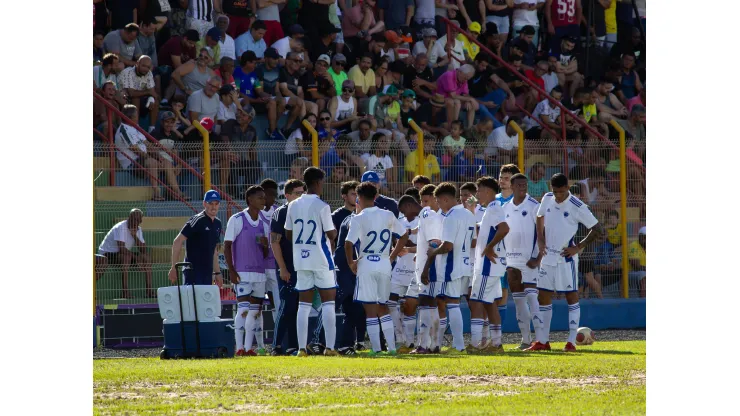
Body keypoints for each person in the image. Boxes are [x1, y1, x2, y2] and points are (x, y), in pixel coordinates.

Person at [528, 173, 602, 352]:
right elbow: (539, 216)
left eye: (561, 192)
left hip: (565, 259)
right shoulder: (547, 198)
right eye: (556, 192)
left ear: (568, 188)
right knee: (543, 296)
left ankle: (571, 342)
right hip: (547, 257)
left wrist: (578, 247)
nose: (558, 196)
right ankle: (543, 341)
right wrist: (540, 238)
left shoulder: (578, 206)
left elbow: (597, 229)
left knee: (571, 296)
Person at [345, 182, 409, 355]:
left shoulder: (358, 217)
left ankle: (377, 349)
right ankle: (392, 348)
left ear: (358, 198)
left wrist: (351, 263)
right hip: (384, 263)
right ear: (375, 197)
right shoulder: (388, 214)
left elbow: (348, 243)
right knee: (383, 307)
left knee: (370, 309)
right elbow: (404, 235)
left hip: (366, 263)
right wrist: (393, 256)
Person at [284, 167, 340, 356]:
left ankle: (301, 349)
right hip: (321, 258)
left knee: (304, 304)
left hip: (301, 259)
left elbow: (288, 233)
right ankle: (331, 348)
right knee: (329, 301)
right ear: (317, 182)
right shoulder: (322, 206)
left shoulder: (293, 205)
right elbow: (331, 234)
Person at [420, 182, 476, 354]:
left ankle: (458, 346)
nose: (437, 204)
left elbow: (448, 246)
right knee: (453, 304)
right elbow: (472, 241)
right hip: (465, 265)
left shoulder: (451, 216)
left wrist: (432, 252)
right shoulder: (468, 213)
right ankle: (452, 345)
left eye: (438, 200)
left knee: (450, 304)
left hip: (450, 266)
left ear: (445, 199)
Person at [224, 185, 270, 356]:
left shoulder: (263, 223)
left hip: (259, 273)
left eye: (264, 197)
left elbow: (265, 253)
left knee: (255, 311)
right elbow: (227, 246)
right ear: (250, 200)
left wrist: (265, 246)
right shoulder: (237, 219)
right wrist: (232, 270)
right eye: (260, 197)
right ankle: (239, 347)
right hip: (242, 272)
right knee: (243, 309)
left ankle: (249, 348)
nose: (263, 200)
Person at [497, 173, 542, 350]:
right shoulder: (505, 207)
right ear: (512, 186)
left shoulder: (534, 206)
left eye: (525, 185)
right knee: (518, 300)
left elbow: (541, 233)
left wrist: (537, 257)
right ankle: (525, 340)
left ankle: (541, 340)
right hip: (511, 260)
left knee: (532, 296)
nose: (523, 187)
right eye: (520, 185)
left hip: (529, 259)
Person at [469, 176, 509, 353]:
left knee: (476, 301)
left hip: (488, 265)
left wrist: (490, 247)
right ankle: (496, 343)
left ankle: (476, 343)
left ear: (487, 191)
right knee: (489, 303)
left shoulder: (494, 208)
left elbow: (504, 228)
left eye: (479, 190)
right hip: (492, 264)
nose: (477, 194)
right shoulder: (490, 209)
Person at [270, 179, 306, 356]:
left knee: (299, 307)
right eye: (298, 193)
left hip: (303, 267)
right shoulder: (281, 212)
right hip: (288, 268)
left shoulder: (304, 211)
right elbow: (274, 242)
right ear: (287, 195)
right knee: (287, 305)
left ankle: (293, 346)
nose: (302, 196)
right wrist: (282, 267)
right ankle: (276, 346)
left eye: (303, 193)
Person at [332, 184, 366, 355]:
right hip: (345, 269)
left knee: (353, 310)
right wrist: (352, 263)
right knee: (332, 306)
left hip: (352, 271)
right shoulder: (350, 219)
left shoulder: (356, 218)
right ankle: (319, 343)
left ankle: (345, 345)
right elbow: (346, 245)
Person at [168, 190, 224, 286]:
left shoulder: (218, 223)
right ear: (204, 204)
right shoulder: (197, 220)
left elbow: (214, 250)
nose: (213, 207)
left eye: (216, 203)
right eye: (210, 203)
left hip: (207, 272)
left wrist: (217, 273)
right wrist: (173, 267)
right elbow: (177, 241)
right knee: (191, 300)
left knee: (204, 300)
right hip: (192, 271)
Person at [96, 209, 155, 299]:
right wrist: (136, 258)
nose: (135, 222)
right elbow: (122, 248)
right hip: (108, 254)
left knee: (146, 257)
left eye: (137, 220)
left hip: (122, 254)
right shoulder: (121, 227)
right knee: (126, 257)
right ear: (129, 218)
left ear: (140, 221)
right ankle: (125, 292)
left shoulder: (138, 230)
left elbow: (143, 250)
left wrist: (134, 235)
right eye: (133, 219)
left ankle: (149, 291)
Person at [412, 184, 444, 354]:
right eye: (422, 201)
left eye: (427, 200)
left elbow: (434, 244)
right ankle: (434, 344)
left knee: (425, 302)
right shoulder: (436, 216)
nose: (424, 204)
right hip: (431, 266)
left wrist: (425, 268)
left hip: (430, 267)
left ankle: (424, 345)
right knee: (431, 305)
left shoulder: (429, 214)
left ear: (435, 199)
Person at [394, 195, 422, 353]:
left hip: (415, 269)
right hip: (400, 269)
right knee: (391, 302)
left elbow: (422, 244)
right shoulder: (401, 222)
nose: (403, 213)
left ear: (410, 205)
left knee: (410, 305)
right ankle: (400, 339)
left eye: (403, 209)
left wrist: (405, 242)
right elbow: (396, 241)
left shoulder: (422, 220)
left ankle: (411, 341)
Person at [258, 179, 282, 333]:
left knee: (277, 304)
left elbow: (278, 237)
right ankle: (259, 346)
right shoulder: (254, 212)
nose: (273, 198)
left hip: (274, 266)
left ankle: (279, 339)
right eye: (270, 194)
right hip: (258, 267)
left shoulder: (278, 212)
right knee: (256, 306)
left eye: (274, 195)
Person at [118, 55, 160, 123]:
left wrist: (151, 99)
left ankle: (152, 129)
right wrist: (148, 92)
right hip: (124, 100)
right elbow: (131, 93)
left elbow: (153, 92)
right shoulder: (128, 72)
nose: (145, 69)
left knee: (155, 101)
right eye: (143, 66)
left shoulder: (148, 73)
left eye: (148, 67)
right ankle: (136, 125)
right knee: (136, 98)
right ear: (137, 63)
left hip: (139, 99)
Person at [628, 227, 646, 298]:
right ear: (639, 237)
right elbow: (636, 266)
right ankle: (644, 301)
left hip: (644, 271)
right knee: (643, 275)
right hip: (632, 272)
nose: (645, 240)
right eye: (643, 238)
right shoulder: (634, 246)